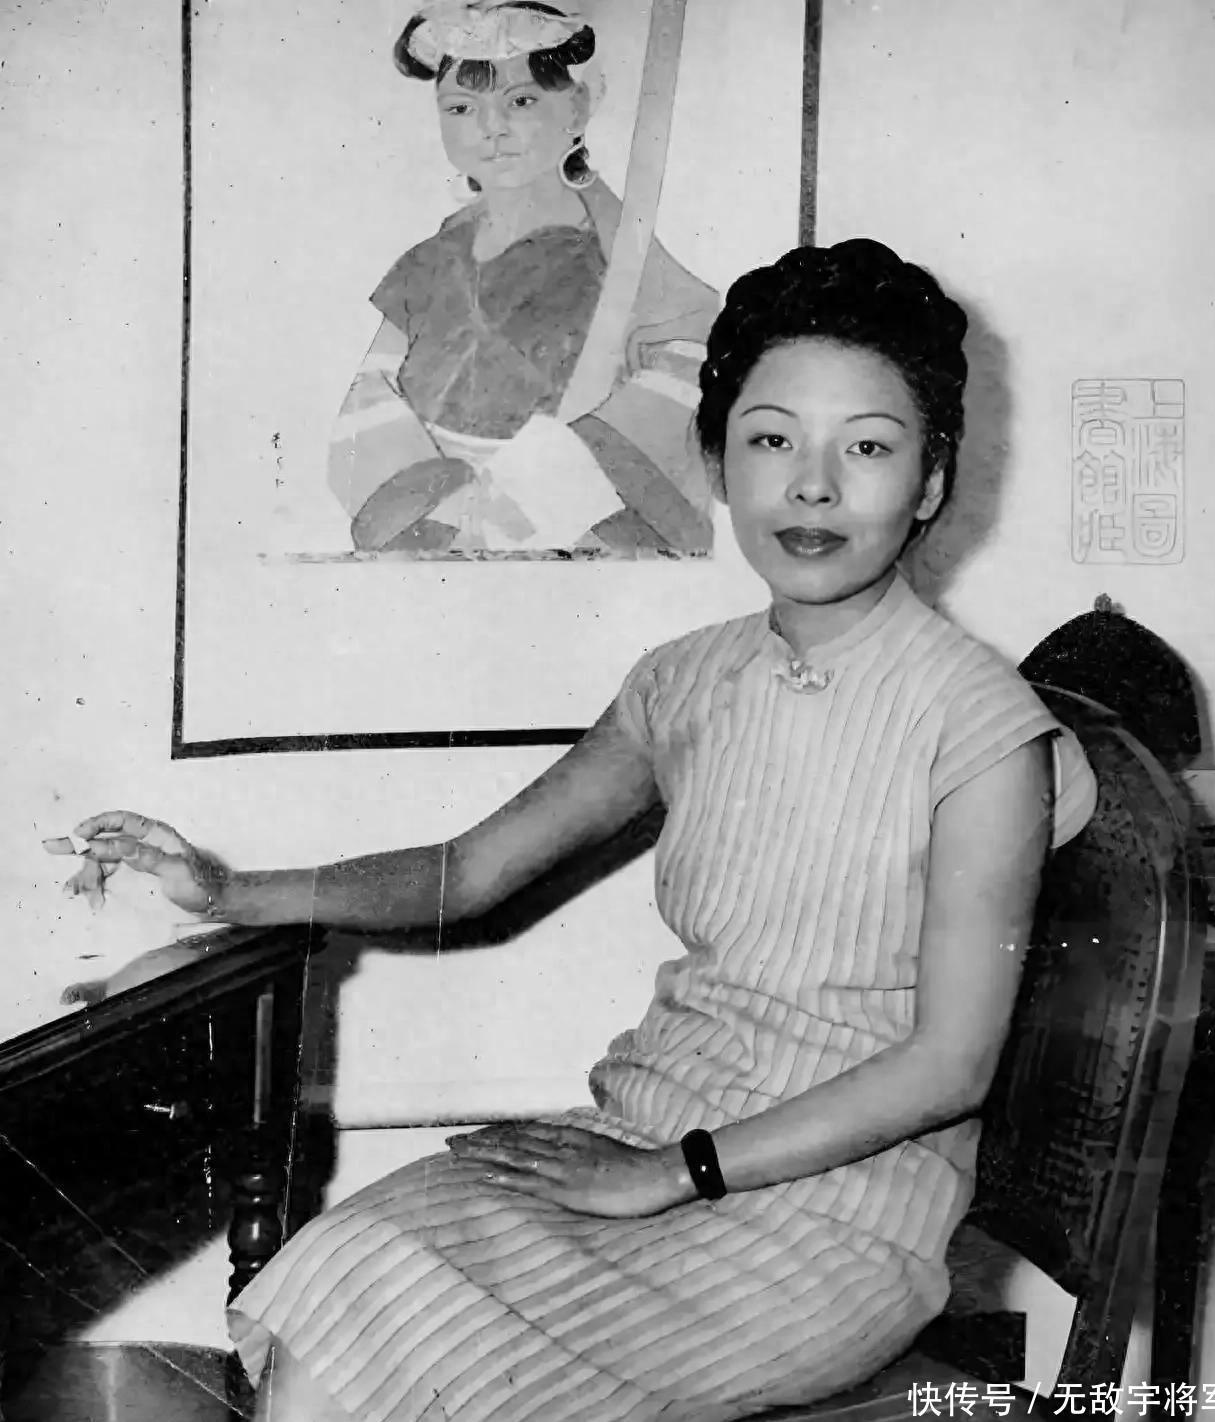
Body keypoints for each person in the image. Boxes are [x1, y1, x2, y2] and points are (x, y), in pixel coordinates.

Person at [63, 239, 1098, 1421]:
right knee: (353, 1278)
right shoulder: (686, 681)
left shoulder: (982, 728)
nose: (813, 487)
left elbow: (950, 1065)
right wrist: (228, 890)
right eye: (771, 440)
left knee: (385, 1346)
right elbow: (470, 871)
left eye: (867, 447)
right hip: (637, 1135)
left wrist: (671, 1175)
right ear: (717, 463)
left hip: (828, 1221)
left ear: (930, 482)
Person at [333, 0, 720, 558]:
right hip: (438, 528)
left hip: (580, 526)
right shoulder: (430, 262)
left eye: (521, 101)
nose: (491, 129)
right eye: (461, 108)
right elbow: (372, 389)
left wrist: (562, 475)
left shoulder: (623, 257)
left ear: (577, 108)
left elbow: (688, 361)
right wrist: (437, 505)